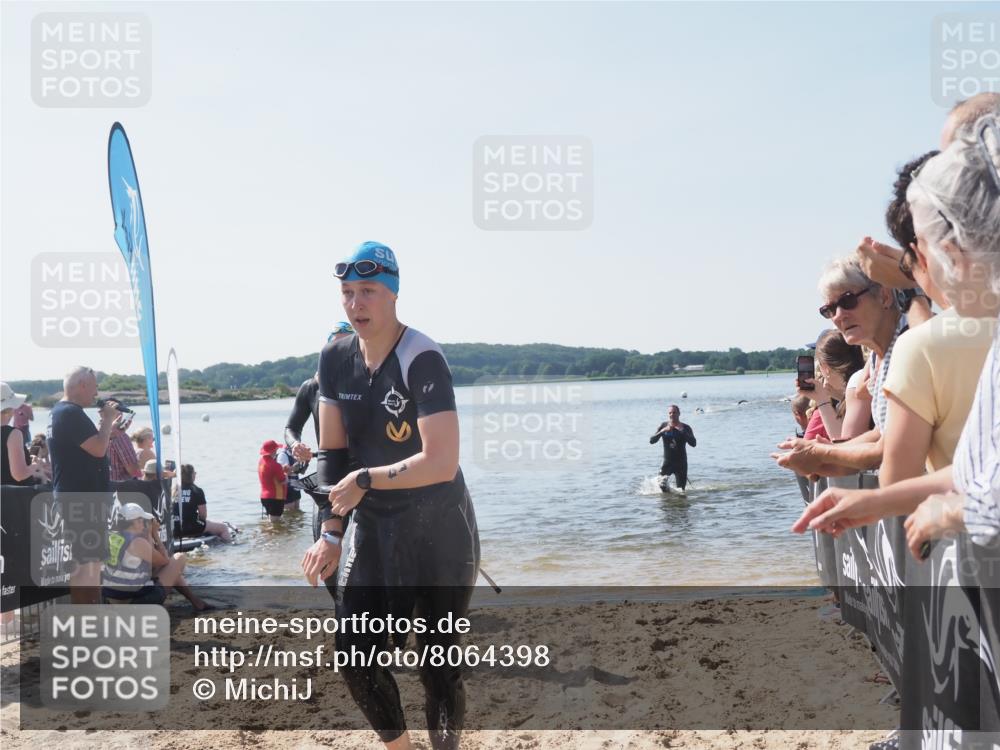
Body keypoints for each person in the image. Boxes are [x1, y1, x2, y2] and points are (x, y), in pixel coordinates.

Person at [300, 240, 480, 750]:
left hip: (439, 522)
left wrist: (366, 480)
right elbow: (332, 452)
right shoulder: (334, 356)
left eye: (369, 292)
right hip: (375, 522)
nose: (356, 304)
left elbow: (440, 460)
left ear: (393, 295)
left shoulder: (421, 357)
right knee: (353, 652)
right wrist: (332, 533)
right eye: (348, 293)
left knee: (437, 663)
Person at [796, 113, 1000, 555]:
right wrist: (876, 500)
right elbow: (980, 468)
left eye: (918, 254)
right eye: (828, 309)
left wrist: (944, 511)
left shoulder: (919, 343)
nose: (837, 316)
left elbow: (978, 491)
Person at [772, 257, 904, 478]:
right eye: (830, 309)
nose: (838, 315)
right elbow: (880, 434)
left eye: (848, 301)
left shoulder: (907, 346)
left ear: (884, 295)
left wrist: (823, 454)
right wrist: (826, 455)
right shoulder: (878, 357)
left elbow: (888, 447)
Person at [47, 366, 118, 604]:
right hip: (80, 499)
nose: (96, 394)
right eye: (95, 387)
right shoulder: (69, 413)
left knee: (91, 564)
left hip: (80, 497)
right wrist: (107, 421)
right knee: (87, 566)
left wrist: (106, 428)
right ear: (82, 385)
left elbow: (92, 447)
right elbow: (98, 450)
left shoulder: (62, 412)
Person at [798, 330, 865, 442]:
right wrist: (838, 396)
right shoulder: (862, 380)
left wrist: (822, 401)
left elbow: (846, 444)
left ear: (825, 368)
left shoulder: (856, 386)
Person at [174, 463, 232, 542]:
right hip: (191, 527)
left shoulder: (172, 491)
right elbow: (203, 516)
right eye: (194, 473)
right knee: (223, 527)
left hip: (174, 528)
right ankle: (229, 547)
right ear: (192, 475)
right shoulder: (197, 490)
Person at [2, 383, 44, 485]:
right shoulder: (13, 434)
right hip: (12, 496)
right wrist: (35, 464)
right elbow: (19, 475)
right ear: (10, 409)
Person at [649, 405, 696, 492]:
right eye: (670, 413)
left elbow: (693, 443)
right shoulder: (663, 425)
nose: (672, 414)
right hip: (667, 462)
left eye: (674, 412)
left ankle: (676, 502)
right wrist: (662, 432)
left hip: (681, 463)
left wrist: (683, 432)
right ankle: (668, 500)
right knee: (660, 485)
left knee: (681, 491)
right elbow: (651, 441)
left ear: (679, 414)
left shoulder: (686, 427)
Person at [258, 439, 288, 522]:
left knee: (270, 521)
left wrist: (281, 470)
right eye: (276, 449)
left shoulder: (261, 462)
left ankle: (265, 534)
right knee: (275, 524)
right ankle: (273, 535)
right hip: (276, 497)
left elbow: (270, 475)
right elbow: (283, 481)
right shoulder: (276, 465)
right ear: (273, 451)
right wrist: (286, 474)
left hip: (264, 497)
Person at [108, 414, 140, 481]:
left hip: (103, 484)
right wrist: (141, 478)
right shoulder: (120, 436)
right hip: (121, 486)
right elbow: (133, 470)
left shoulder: (98, 433)